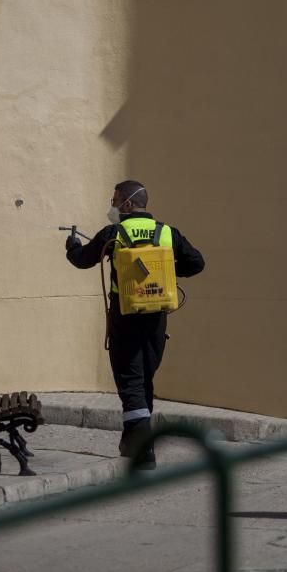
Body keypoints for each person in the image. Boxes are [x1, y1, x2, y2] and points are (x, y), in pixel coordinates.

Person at [65, 180, 205, 469]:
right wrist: (164, 268)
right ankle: (132, 442)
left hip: (125, 316)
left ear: (128, 203)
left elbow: (82, 260)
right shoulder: (167, 233)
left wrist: (72, 246)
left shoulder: (113, 233)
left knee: (130, 382)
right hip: (156, 317)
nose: (112, 206)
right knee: (142, 380)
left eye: (115, 200)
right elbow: (196, 263)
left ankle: (143, 452)